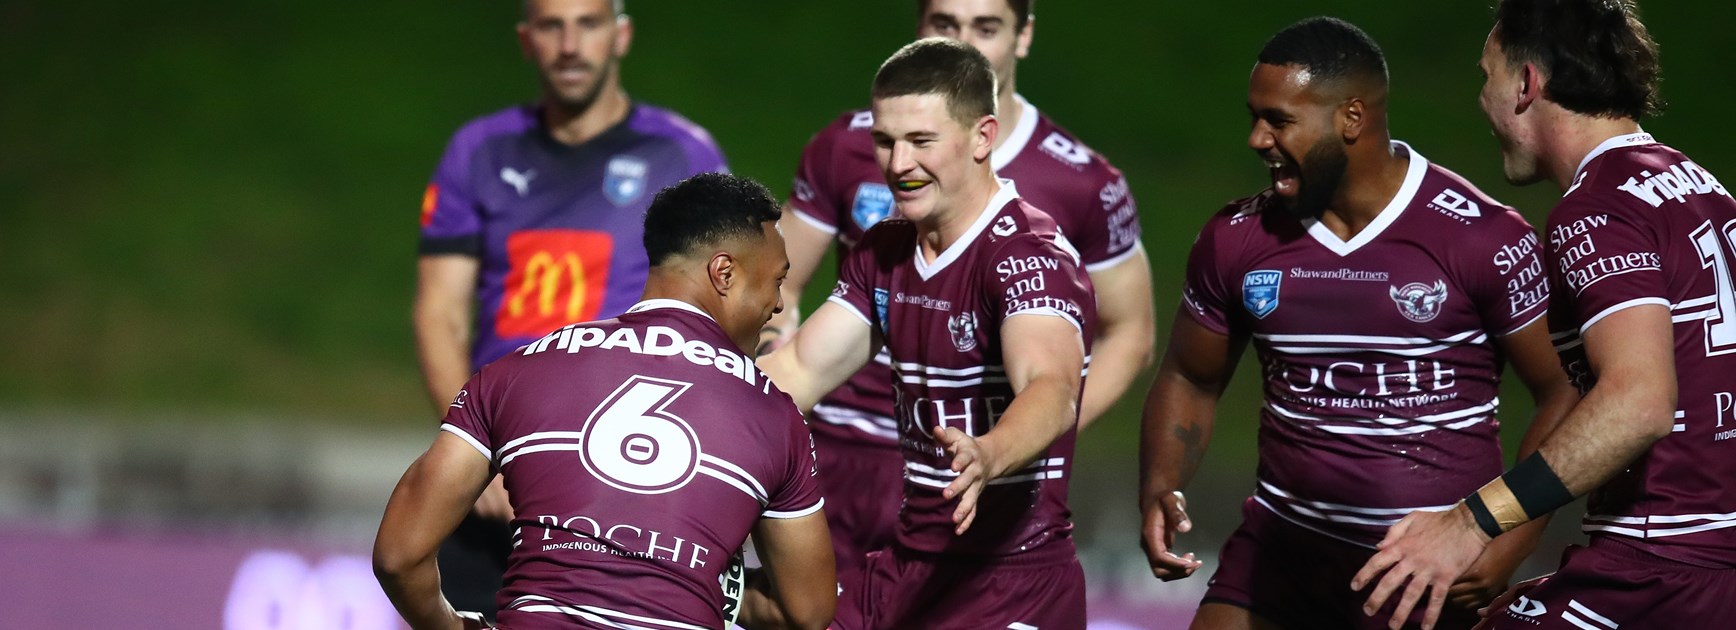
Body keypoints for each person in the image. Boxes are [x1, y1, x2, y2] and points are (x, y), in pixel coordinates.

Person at [1136, 17, 1577, 630]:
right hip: (1279, 550)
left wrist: (1510, 539)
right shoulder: (1235, 238)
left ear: (1351, 118)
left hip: (1422, 570)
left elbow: (1565, 390)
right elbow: (1190, 375)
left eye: (1279, 120)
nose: (1257, 139)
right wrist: (1161, 483)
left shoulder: (1482, 237)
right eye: (1254, 117)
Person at [1353, 2, 1736, 628]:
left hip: (1662, 566)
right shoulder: (1701, 187)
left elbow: (1638, 402)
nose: (1482, 100)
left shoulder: (1598, 210)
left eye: (1487, 76)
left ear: (1527, 83)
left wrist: (1467, 522)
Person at [760, 0, 1154, 590]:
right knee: (778, 606)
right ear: (920, 33)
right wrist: (694, 409)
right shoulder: (874, 222)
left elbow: (1063, 377)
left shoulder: (1055, 219)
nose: (899, 163)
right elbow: (794, 350)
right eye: (946, 25)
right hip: (844, 454)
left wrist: (1008, 444)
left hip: (983, 497)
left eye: (986, 27)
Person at [375, 173, 834, 630]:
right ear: (724, 273)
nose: (777, 304)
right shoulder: (774, 414)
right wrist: (720, 589)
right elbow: (808, 612)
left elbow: (399, 555)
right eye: (777, 281)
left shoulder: (519, 370)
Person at [412, 0, 726, 616]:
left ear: (622, 35)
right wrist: (477, 451)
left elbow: (716, 317)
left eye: (588, 23)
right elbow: (438, 313)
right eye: (552, 26)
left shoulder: (684, 157)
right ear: (526, 41)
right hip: (495, 482)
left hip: (625, 483)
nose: (569, 45)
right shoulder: (478, 152)